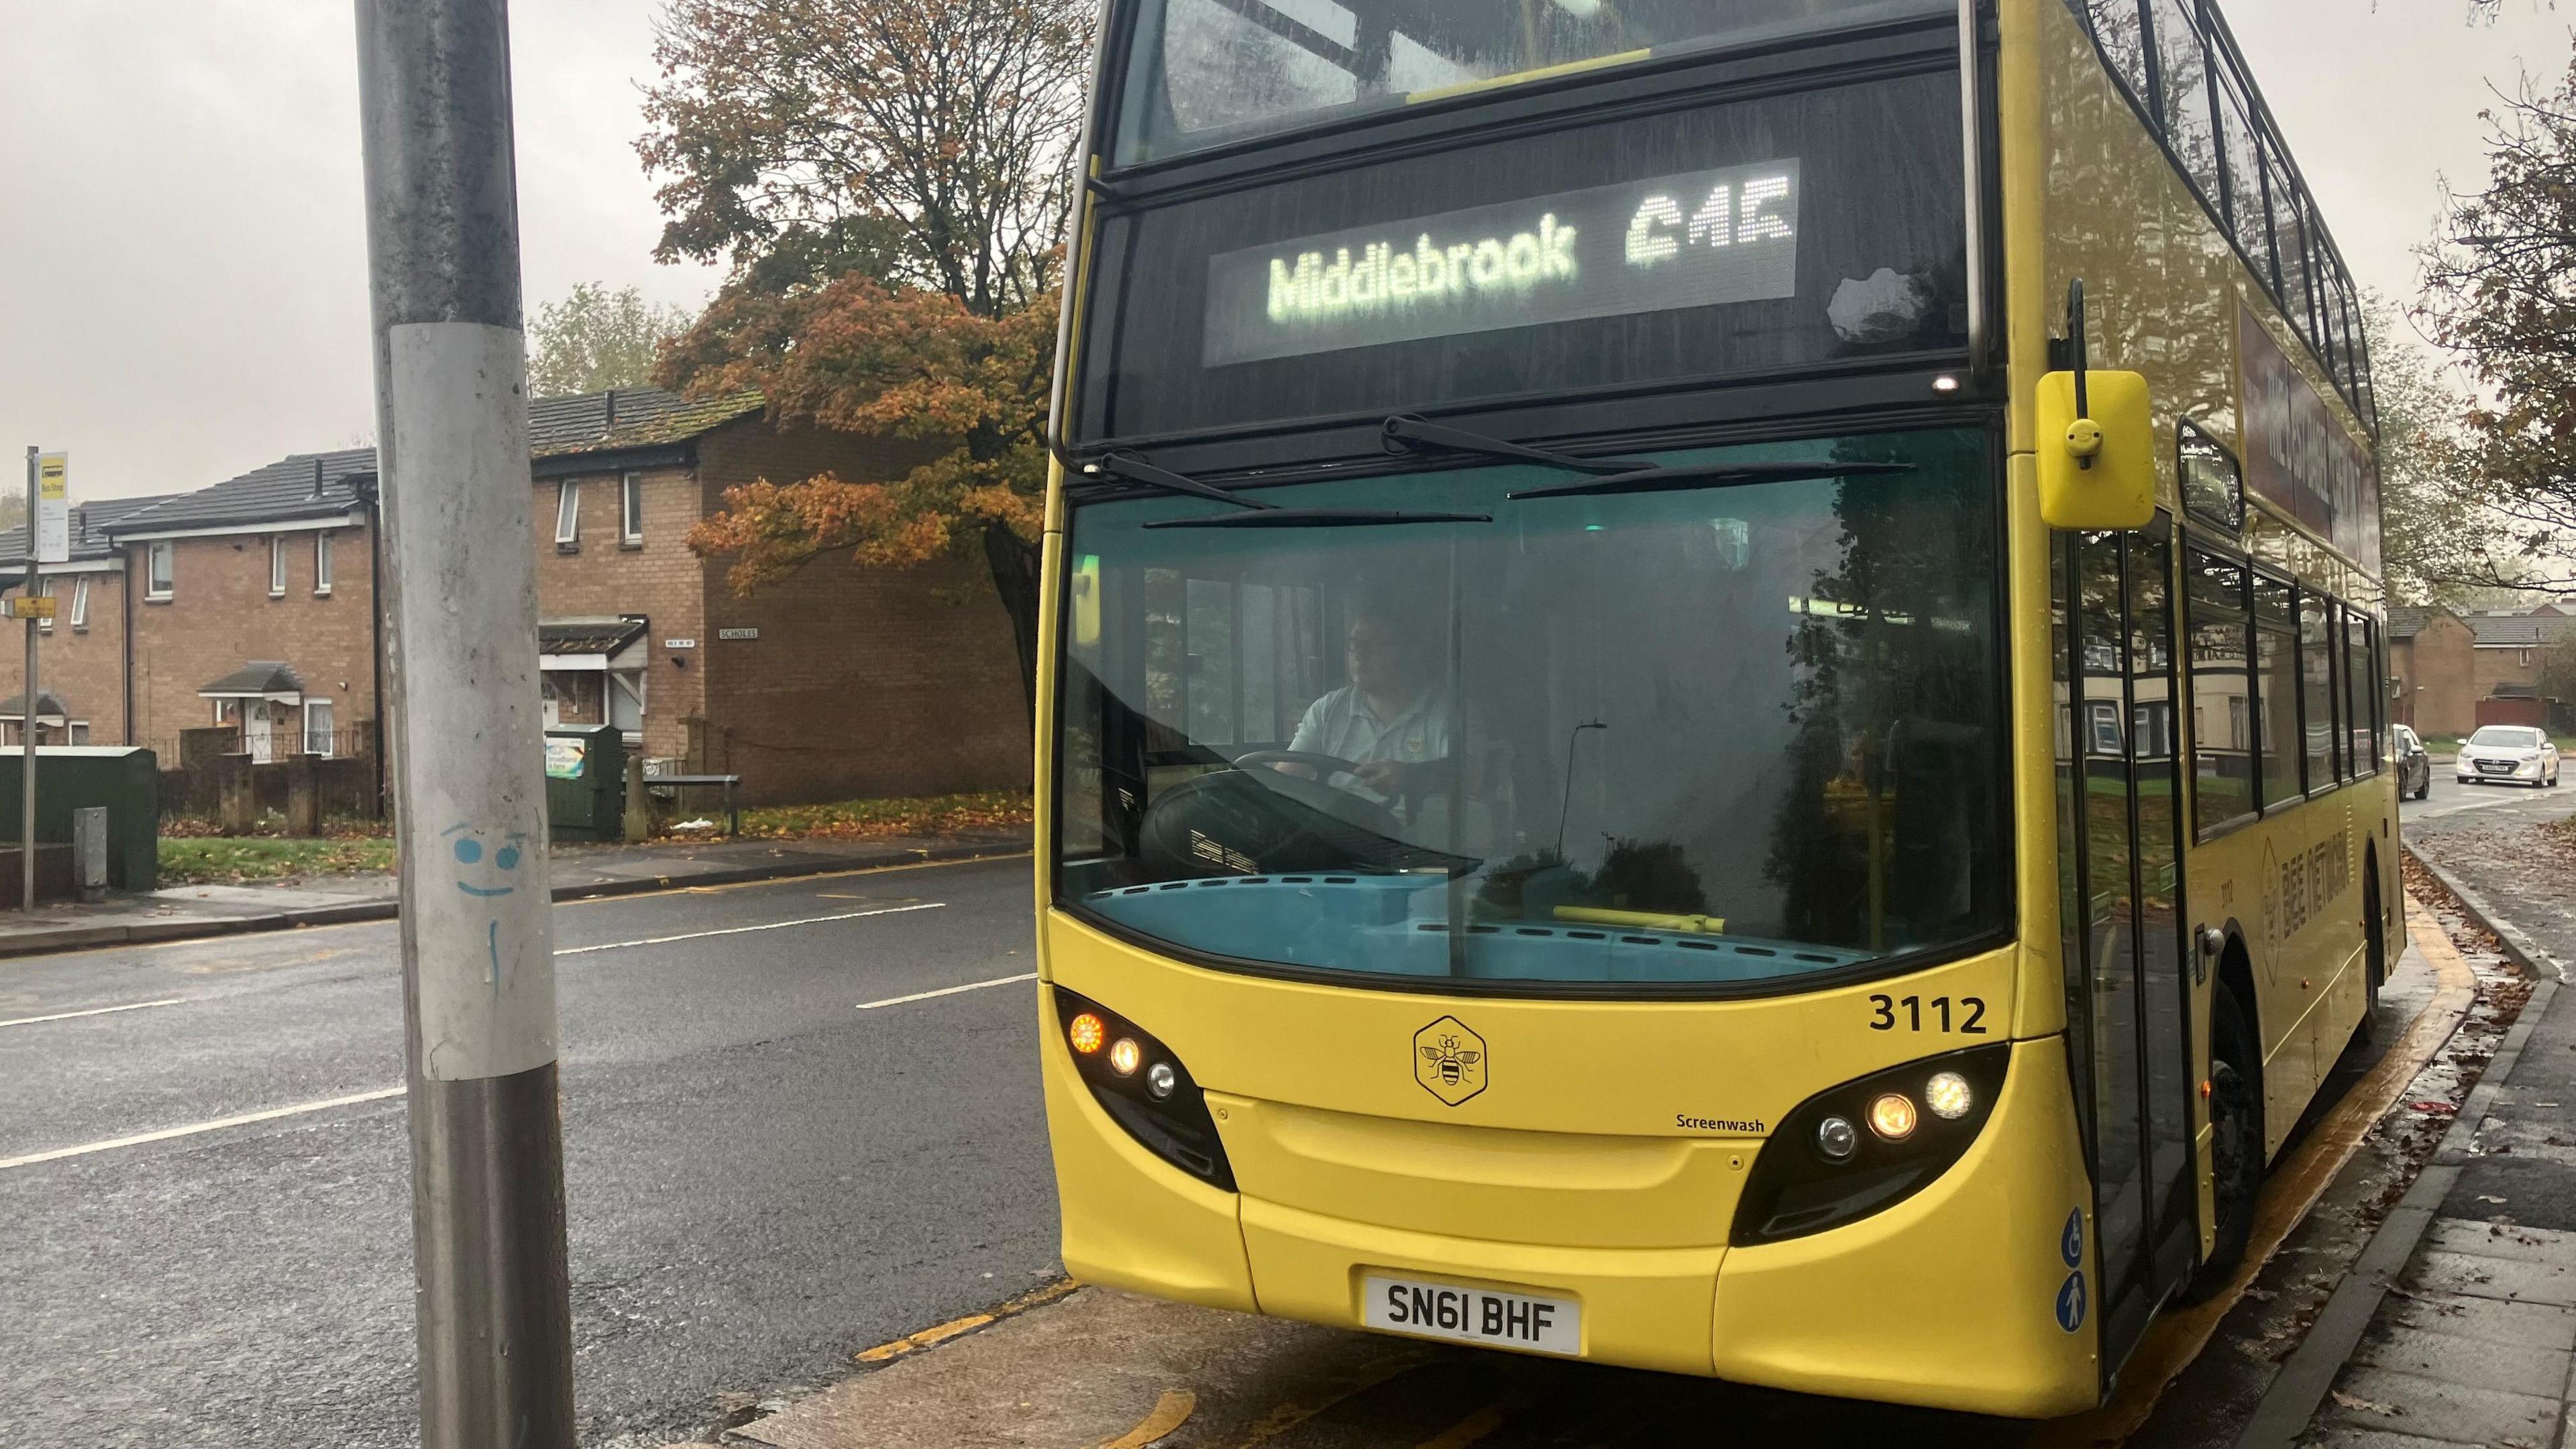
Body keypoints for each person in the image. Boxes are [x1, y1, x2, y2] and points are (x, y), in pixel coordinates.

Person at [1287, 608, 1455, 799]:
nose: (1359, 655)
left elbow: (1471, 778)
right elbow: (1285, 778)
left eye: (1373, 646)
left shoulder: (1450, 714)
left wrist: (1414, 776)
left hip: (1412, 826)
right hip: (1334, 823)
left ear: (1409, 652)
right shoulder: (1327, 709)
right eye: (1354, 645)